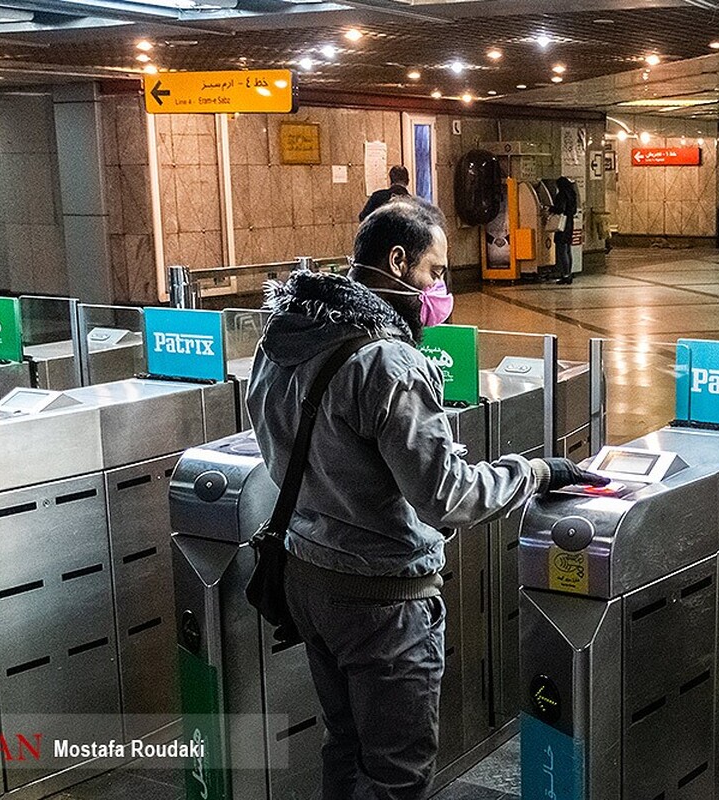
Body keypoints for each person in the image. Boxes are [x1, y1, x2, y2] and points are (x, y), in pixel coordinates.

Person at [246, 198, 607, 800]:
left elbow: (273, 444)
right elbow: (448, 495)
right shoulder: (387, 361)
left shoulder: (285, 337)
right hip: (380, 600)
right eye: (436, 272)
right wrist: (536, 470)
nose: (442, 287)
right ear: (397, 261)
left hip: (306, 576)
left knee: (346, 745)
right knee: (396, 772)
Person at [549, 176, 578, 285]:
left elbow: (560, 209)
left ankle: (565, 275)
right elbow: (573, 210)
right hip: (570, 223)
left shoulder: (561, 195)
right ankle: (568, 274)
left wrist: (550, 208)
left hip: (562, 224)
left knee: (561, 250)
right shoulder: (572, 195)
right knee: (568, 249)